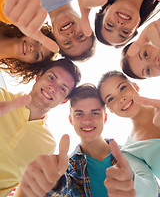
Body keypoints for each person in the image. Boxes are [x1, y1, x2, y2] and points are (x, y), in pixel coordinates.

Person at [14, 84, 158, 197]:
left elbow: (152, 190)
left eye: (94, 113)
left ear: (105, 117)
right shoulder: (68, 168)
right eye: (79, 114)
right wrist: (53, 184)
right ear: (71, 119)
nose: (87, 121)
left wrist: (132, 181)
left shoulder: (130, 155)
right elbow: (64, 192)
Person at [0, 58, 81, 197]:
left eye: (62, 88)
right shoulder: (2, 96)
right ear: (38, 76)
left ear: (64, 100)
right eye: (51, 78)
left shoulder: (48, 145)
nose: (52, 88)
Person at [98, 70, 160, 182]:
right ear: (110, 110)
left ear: (135, 86)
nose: (121, 99)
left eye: (122, 88)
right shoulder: (131, 150)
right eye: (111, 99)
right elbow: (148, 187)